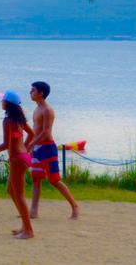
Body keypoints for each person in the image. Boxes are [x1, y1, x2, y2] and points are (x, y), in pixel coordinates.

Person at [0, 90, 35, 240]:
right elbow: (31, 134)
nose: (1, 102)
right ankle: (25, 226)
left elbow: (6, 143)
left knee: (19, 195)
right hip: (23, 157)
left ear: (8, 103)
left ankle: (29, 231)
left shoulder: (8, 121)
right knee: (11, 191)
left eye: (2, 100)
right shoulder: (18, 120)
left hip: (18, 159)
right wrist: (26, 148)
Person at [28, 81, 80, 220]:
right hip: (37, 148)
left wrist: (32, 143)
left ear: (41, 93)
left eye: (32, 90)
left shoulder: (47, 110)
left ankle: (74, 206)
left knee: (54, 180)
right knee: (36, 179)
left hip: (47, 148)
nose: (30, 92)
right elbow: (35, 130)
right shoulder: (36, 109)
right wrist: (31, 145)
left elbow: (46, 132)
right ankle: (33, 211)